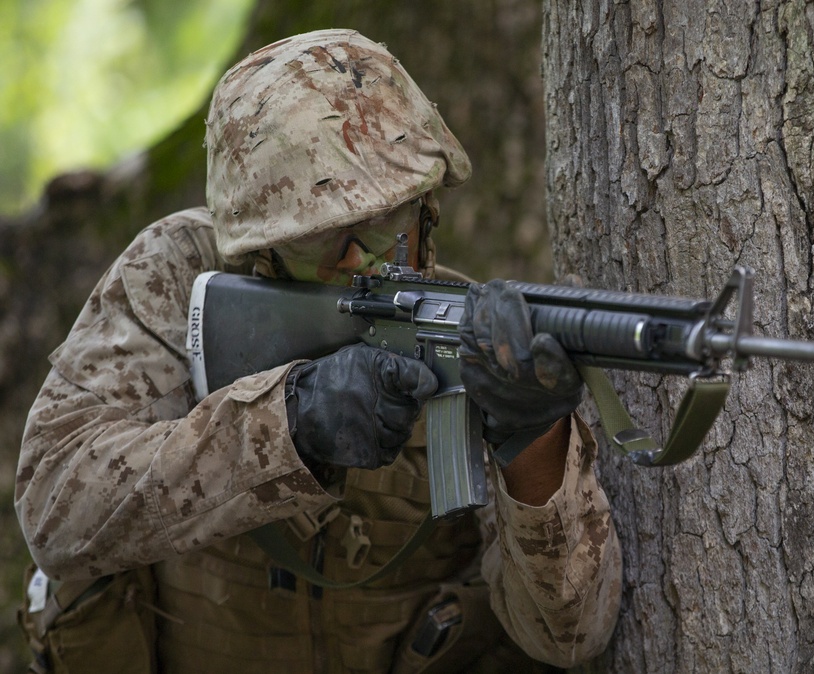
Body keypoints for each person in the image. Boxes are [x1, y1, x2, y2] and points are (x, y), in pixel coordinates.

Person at [15, 29, 621, 674]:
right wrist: (292, 424)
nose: (363, 261)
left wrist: (533, 441)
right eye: (322, 239)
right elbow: (55, 512)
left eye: (388, 225)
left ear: (427, 212)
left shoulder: (476, 338)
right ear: (259, 248)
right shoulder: (177, 280)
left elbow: (570, 638)